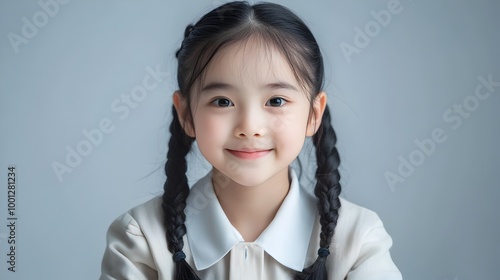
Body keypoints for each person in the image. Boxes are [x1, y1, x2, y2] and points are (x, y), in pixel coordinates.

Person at [100, 1, 402, 279]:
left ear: (313, 114)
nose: (249, 127)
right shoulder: (141, 238)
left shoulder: (358, 240)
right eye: (222, 102)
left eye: (276, 100)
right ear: (186, 115)